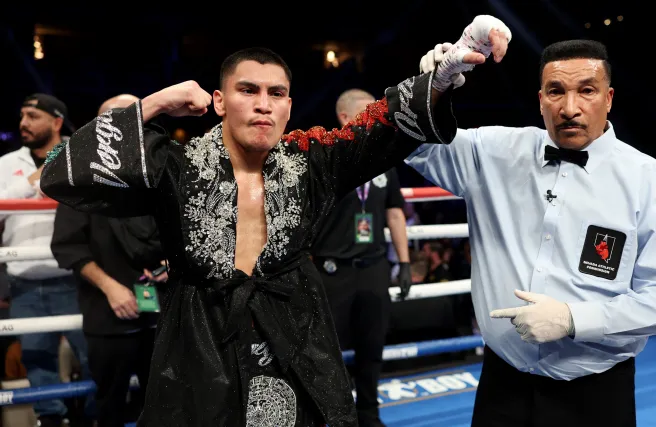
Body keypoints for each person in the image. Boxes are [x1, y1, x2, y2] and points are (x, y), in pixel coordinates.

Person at [39, 17, 509, 427]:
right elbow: (60, 174)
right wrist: (156, 103)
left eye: (276, 93)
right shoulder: (175, 165)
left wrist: (444, 77)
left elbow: (377, 126)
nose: (263, 104)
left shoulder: (310, 159)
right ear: (220, 101)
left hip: (288, 331)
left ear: (288, 105)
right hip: (197, 336)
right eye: (248, 90)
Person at [412, 39, 656, 426]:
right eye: (556, 92)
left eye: (586, 90)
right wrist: (431, 86)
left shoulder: (650, 182)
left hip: (596, 392)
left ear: (609, 97)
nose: (570, 108)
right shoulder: (495, 152)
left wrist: (574, 319)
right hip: (502, 383)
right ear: (540, 99)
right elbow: (413, 146)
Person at [49, 94, 169, 427]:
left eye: (134, 117)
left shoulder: (158, 176)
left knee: (162, 403)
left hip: (162, 314)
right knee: (110, 407)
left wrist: (171, 265)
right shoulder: (81, 180)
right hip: (108, 318)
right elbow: (67, 247)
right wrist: (111, 288)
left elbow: (184, 235)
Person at [310, 88, 412, 427]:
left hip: (373, 268)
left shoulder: (384, 156)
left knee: (372, 348)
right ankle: (331, 417)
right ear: (345, 117)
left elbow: (395, 212)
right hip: (330, 272)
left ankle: (369, 415)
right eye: (372, 111)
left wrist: (405, 262)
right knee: (325, 352)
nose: (380, 118)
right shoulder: (325, 155)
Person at [0, 93, 90, 427]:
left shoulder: (81, 154)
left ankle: (96, 417)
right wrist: (31, 182)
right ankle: (51, 421)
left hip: (76, 275)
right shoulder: (6, 164)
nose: (23, 123)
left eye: (33, 116)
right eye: (22, 115)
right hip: (24, 280)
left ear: (55, 121)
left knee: (93, 354)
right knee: (37, 360)